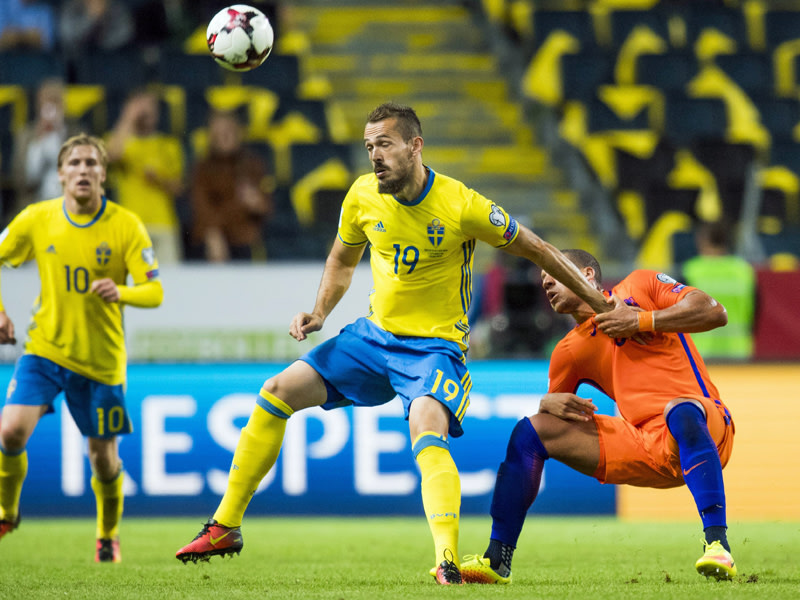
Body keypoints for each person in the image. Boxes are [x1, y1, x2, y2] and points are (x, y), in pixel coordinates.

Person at [174, 102, 612, 584]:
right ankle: (225, 526)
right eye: (368, 147)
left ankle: (446, 560)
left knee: (426, 423)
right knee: (276, 391)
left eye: (383, 144)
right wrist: (320, 312)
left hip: (434, 348)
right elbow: (342, 260)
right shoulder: (362, 196)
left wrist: (597, 299)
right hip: (373, 337)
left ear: (414, 146)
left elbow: (539, 249)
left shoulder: (461, 203)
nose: (374, 156)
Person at [460, 249, 737, 584]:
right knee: (530, 433)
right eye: (544, 280)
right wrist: (547, 405)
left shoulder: (641, 285)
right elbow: (552, 407)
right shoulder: (569, 351)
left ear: (587, 275)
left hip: (706, 426)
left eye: (556, 274)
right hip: (644, 443)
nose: (547, 283)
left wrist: (641, 320)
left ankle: (717, 545)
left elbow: (714, 312)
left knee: (679, 410)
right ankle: (497, 560)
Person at [0, 134, 163, 562]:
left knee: (103, 460)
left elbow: (155, 291)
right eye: (74, 163)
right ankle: (6, 511)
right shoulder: (37, 218)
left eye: (92, 163)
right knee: (10, 430)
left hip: (101, 362)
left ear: (104, 175)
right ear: (60, 175)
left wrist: (122, 291)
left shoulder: (125, 224)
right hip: (45, 349)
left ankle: (108, 535)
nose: (84, 170)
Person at [106, 88, 185, 263]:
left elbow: (179, 188)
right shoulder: (119, 140)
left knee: (172, 283)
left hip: (164, 225)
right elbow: (111, 155)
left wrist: (160, 180)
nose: (147, 111)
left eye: (151, 106)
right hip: (131, 226)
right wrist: (128, 118)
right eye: (141, 106)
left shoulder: (169, 145)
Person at [188, 110, 273, 262]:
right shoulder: (202, 168)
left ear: (238, 133)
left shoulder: (253, 165)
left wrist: (258, 203)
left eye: (228, 131)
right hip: (215, 240)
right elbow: (202, 210)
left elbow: (266, 207)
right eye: (218, 133)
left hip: (245, 239)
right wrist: (214, 233)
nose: (224, 136)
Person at [681, 219, 755, 360]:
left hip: (701, 352)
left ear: (702, 239)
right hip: (739, 353)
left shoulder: (691, 271)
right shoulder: (744, 271)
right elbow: (755, 313)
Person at [12, 78, 80, 212]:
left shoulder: (77, 134)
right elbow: (20, 181)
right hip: (35, 206)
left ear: (64, 103)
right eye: (47, 101)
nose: (51, 106)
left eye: (56, 100)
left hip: (69, 207)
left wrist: (59, 136)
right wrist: (38, 142)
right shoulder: (25, 136)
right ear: (38, 104)